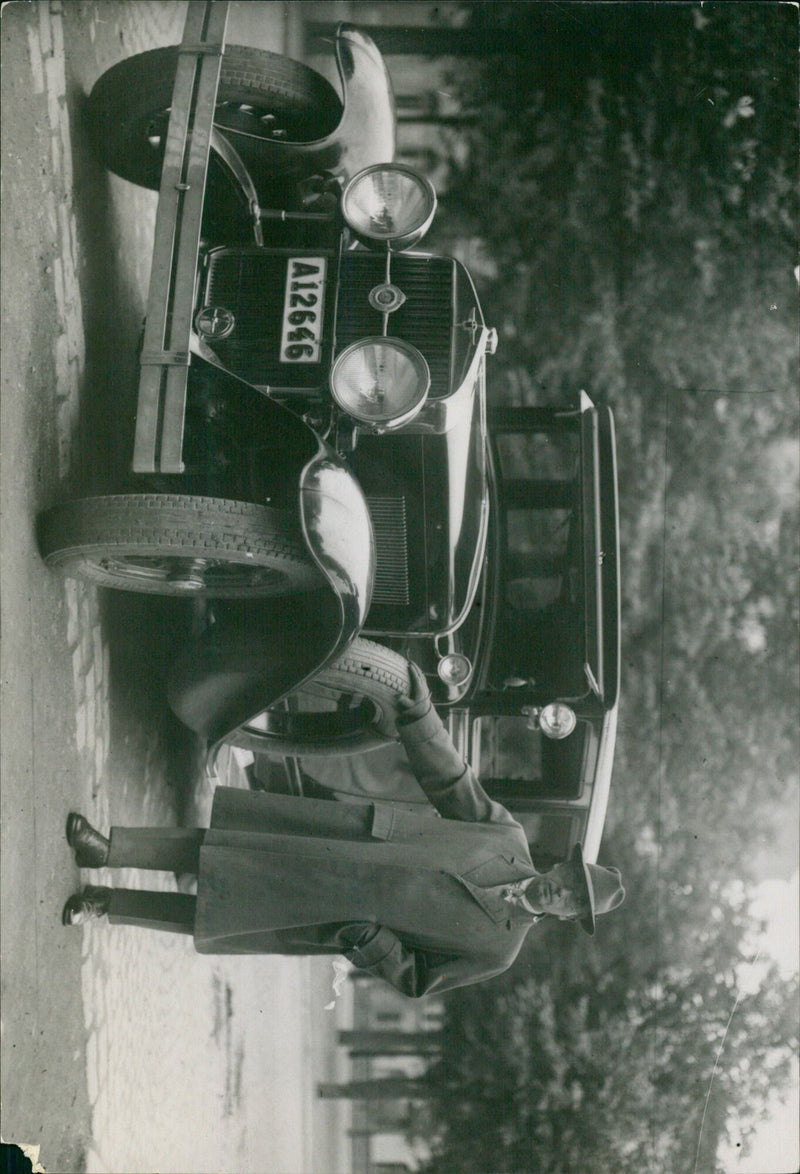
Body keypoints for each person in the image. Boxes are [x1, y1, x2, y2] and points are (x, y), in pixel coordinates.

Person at [62, 664, 625, 998]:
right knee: (220, 851)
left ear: (567, 917)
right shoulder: (507, 839)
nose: (560, 892)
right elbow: (453, 783)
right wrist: (421, 717)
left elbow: (419, 979)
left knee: (222, 914)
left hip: (334, 915)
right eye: (570, 881)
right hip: (343, 843)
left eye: (571, 902)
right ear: (561, 865)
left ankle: (106, 905)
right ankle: (108, 850)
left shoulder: (499, 950)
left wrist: (371, 942)